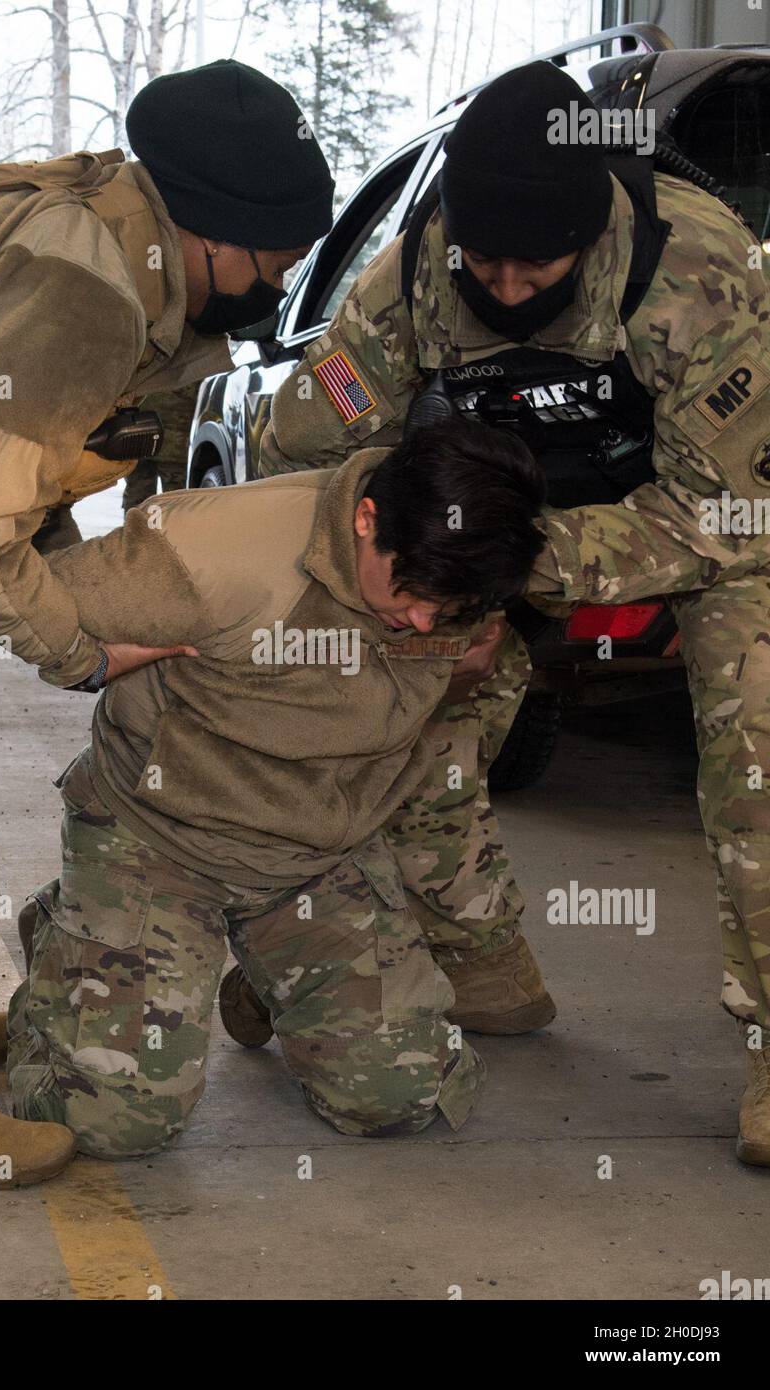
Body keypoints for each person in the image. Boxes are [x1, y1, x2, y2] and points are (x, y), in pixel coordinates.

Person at [257, 59, 770, 1166]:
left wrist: (520, 564)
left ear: (590, 236)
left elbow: (729, 512)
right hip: (489, 523)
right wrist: (405, 564)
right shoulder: (406, 286)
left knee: (760, 755)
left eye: (535, 261)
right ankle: (449, 957)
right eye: (481, 256)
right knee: (385, 709)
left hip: (701, 521)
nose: (504, 279)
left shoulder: (699, 276)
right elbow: (301, 453)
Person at [0, 58, 334, 1188]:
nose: (289, 273)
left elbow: (32, 487)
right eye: (280, 254)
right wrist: (78, 648)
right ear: (211, 234)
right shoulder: (87, 287)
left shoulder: (140, 253)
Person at [6, 420, 545, 1156]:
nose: (423, 621)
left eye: (446, 612)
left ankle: (267, 977)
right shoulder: (211, 552)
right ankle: (68, 931)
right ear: (366, 519)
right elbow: (27, 608)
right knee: (111, 1122)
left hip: (320, 853)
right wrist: (94, 660)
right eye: (414, 594)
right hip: (161, 842)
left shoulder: (470, 561)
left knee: (403, 1096)